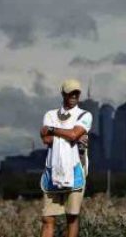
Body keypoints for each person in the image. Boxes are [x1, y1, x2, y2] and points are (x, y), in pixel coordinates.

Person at [39, 78, 92, 237]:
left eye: (77, 92)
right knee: (47, 218)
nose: (74, 95)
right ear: (63, 93)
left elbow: (74, 134)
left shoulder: (85, 114)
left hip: (75, 170)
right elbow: (45, 139)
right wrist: (70, 135)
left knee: (72, 218)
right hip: (52, 171)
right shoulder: (50, 114)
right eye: (71, 92)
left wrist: (53, 129)